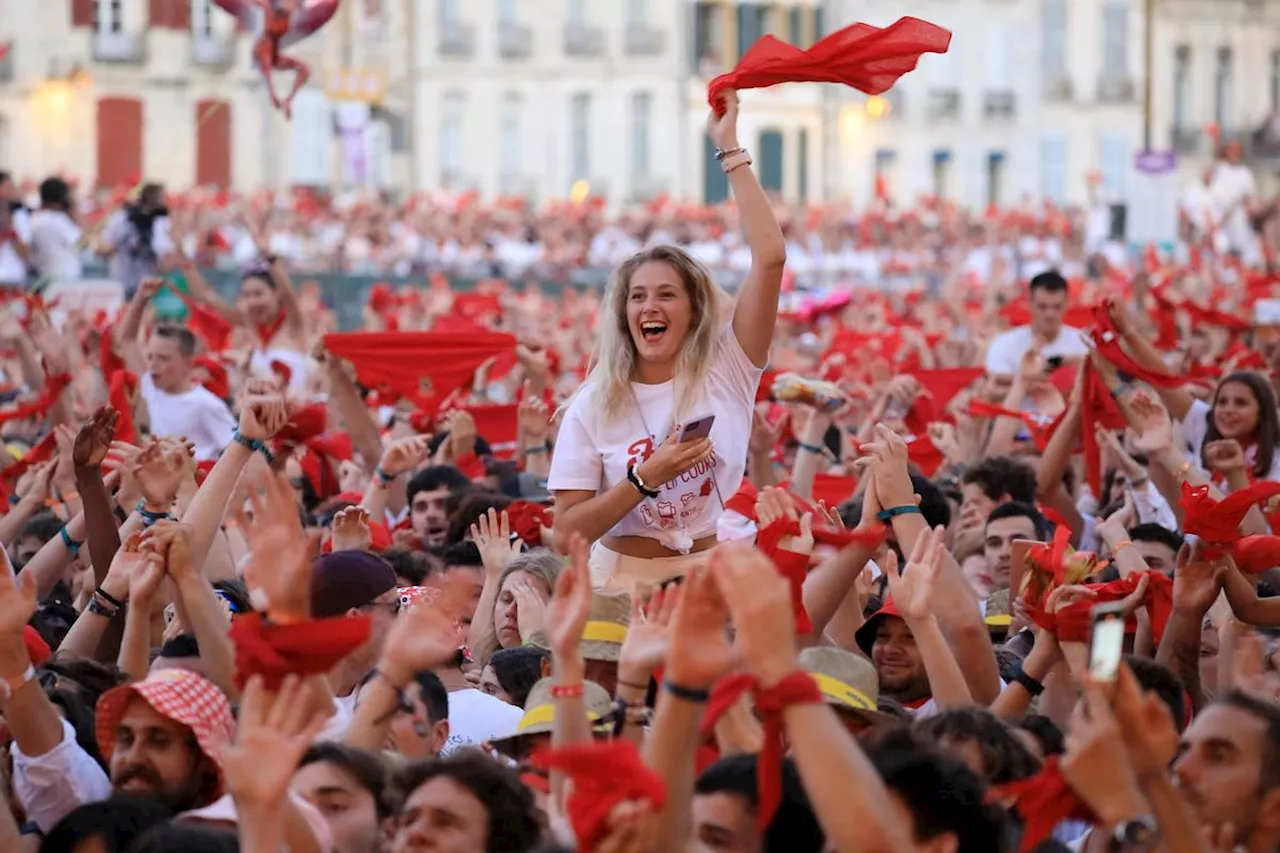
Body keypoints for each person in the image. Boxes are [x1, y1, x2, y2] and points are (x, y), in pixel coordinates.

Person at [549, 90, 787, 592]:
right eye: (637, 297)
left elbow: (769, 258)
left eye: (666, 295)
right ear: (623, 313)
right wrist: (644, 479)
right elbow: (565, 532)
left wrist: (730, 149)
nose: (649, 308)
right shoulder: (594, 404)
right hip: (617, 582)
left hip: (708, 577)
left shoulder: (729, 367)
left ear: (695, 310)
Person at [137, 326, 237, 461]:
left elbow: (237, 448)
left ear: (188, 362)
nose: (153, 364)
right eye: (150, 356)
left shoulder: (206, 403)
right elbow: (126, 340)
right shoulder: (150, 386)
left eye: (163, 358)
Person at [984, 270, 1088, 377]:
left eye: (1057, 306)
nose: (1050, 314)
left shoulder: (1083, 344)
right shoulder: (1004, 345)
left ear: (1067, 303)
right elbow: (993, 386)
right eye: (1043, 307)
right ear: (1030, 303)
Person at [27, 177, 81, 282]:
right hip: (65, 279)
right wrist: (75, 212)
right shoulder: (58, 220)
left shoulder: (34, 218)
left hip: (44, 276)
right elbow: (80, 244)